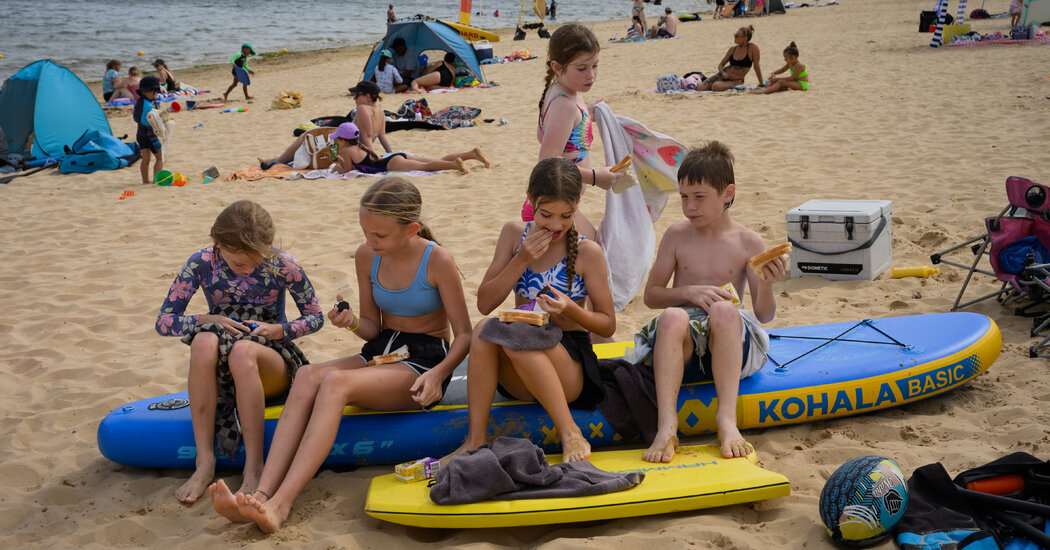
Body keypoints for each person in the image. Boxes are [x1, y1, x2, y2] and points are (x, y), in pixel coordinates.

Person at [209, 177, 471, 533]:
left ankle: (280, 506)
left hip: (423, 360)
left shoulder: (436, 260)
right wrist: (349, 323)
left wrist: (439, 374)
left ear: (410, 229)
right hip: (382, 350)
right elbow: (372, 330)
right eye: (366, 232)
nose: (369, 242)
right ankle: (261, 491)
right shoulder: (368, 256)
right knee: (306, 374)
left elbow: (465, 336)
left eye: (379, 235)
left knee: (334, 383)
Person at [447, 157, 616, 464]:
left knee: (517, 336)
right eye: (546, 215)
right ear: (531, 201)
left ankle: (570, 432)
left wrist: (570, 310)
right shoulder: (514, 235)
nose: (555, 225)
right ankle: (475, 439)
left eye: (566, 216)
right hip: (521, 373)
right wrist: (521, 260)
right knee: (486, 327)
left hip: (570, 367)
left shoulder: (588, 252)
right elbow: (485, 302)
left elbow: (607, 326)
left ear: (578, 204)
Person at [156, 200, 324, 504]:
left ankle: (254, 468)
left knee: (242, 351)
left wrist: (280, 330)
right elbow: (165, 322)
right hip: (219, 365)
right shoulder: (202, 262)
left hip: (269, 359)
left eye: (255, 261)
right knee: (203, 340)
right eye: (238, 264)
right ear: (217, 243)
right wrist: (209, 319)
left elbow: (315, 316)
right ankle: (204, 462)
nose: (248, 269)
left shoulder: (282, 263)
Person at [636, 141, 785, 464]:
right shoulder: (677, 235)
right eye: (684, 198)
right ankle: (667, 425)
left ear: (727, 194)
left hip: (726, 342)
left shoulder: (748, 242)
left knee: (723, 309)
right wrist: (689, 293)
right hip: (683, 349)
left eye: (700, 197)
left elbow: (764, 314)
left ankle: (726, 421)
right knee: (673, 316)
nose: (690, 207)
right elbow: (652, 296)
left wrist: (768, 285)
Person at [534, 24, 628, 239]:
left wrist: (586, 115)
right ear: (557, 67)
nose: (591, 75)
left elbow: (545, 135)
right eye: (582, 68)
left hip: (559, 203)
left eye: (595, 65)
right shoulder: (564, 105)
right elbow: (547, 161)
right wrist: (595, 177)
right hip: (556, 208)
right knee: (596, 253)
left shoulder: (562, 92)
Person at [257, 81, 394, 168]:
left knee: (307, 135)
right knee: (308, 138)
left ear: (368, 97)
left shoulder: (363, 109)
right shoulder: (380, 111)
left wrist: (371, 159)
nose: (354, 98)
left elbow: (367, 136)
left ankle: (278, 161)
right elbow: (382, 136)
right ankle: (273, 160)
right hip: (350, 146)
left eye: (357, 95)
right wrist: (390, 153)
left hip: (345, 147)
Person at [328, 122, 488, 175]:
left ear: (343, 140)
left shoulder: (347, 151)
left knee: (426, 167)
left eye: (338, 139)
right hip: (397, 156)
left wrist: (338, 166)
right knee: (435, 160)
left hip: (390, 163)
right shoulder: (357, 146)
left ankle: (454, 165)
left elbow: (347, 171)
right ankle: (471, 154)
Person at [697, 26, 763, 92]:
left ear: (745, 38)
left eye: (737, 36)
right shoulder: (732, 49)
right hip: (722, 75)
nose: (734, 37)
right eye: (734, 35)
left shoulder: (753, 48)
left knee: (715, 86)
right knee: (700, 89)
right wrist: (722, 73)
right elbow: (721, 65)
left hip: (736, 80)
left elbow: (756, 66)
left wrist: (761, 83)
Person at [133, 76, 164, 184]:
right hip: (149, 134)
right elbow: (147, 120)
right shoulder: (148, 105)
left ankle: (145, 180)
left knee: (146, 159)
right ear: (153, 91)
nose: (156, 96)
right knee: (160, 157)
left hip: (140, 134)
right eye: (156, 93)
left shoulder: (138, 103)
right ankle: (157, 180)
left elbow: (135, 118)